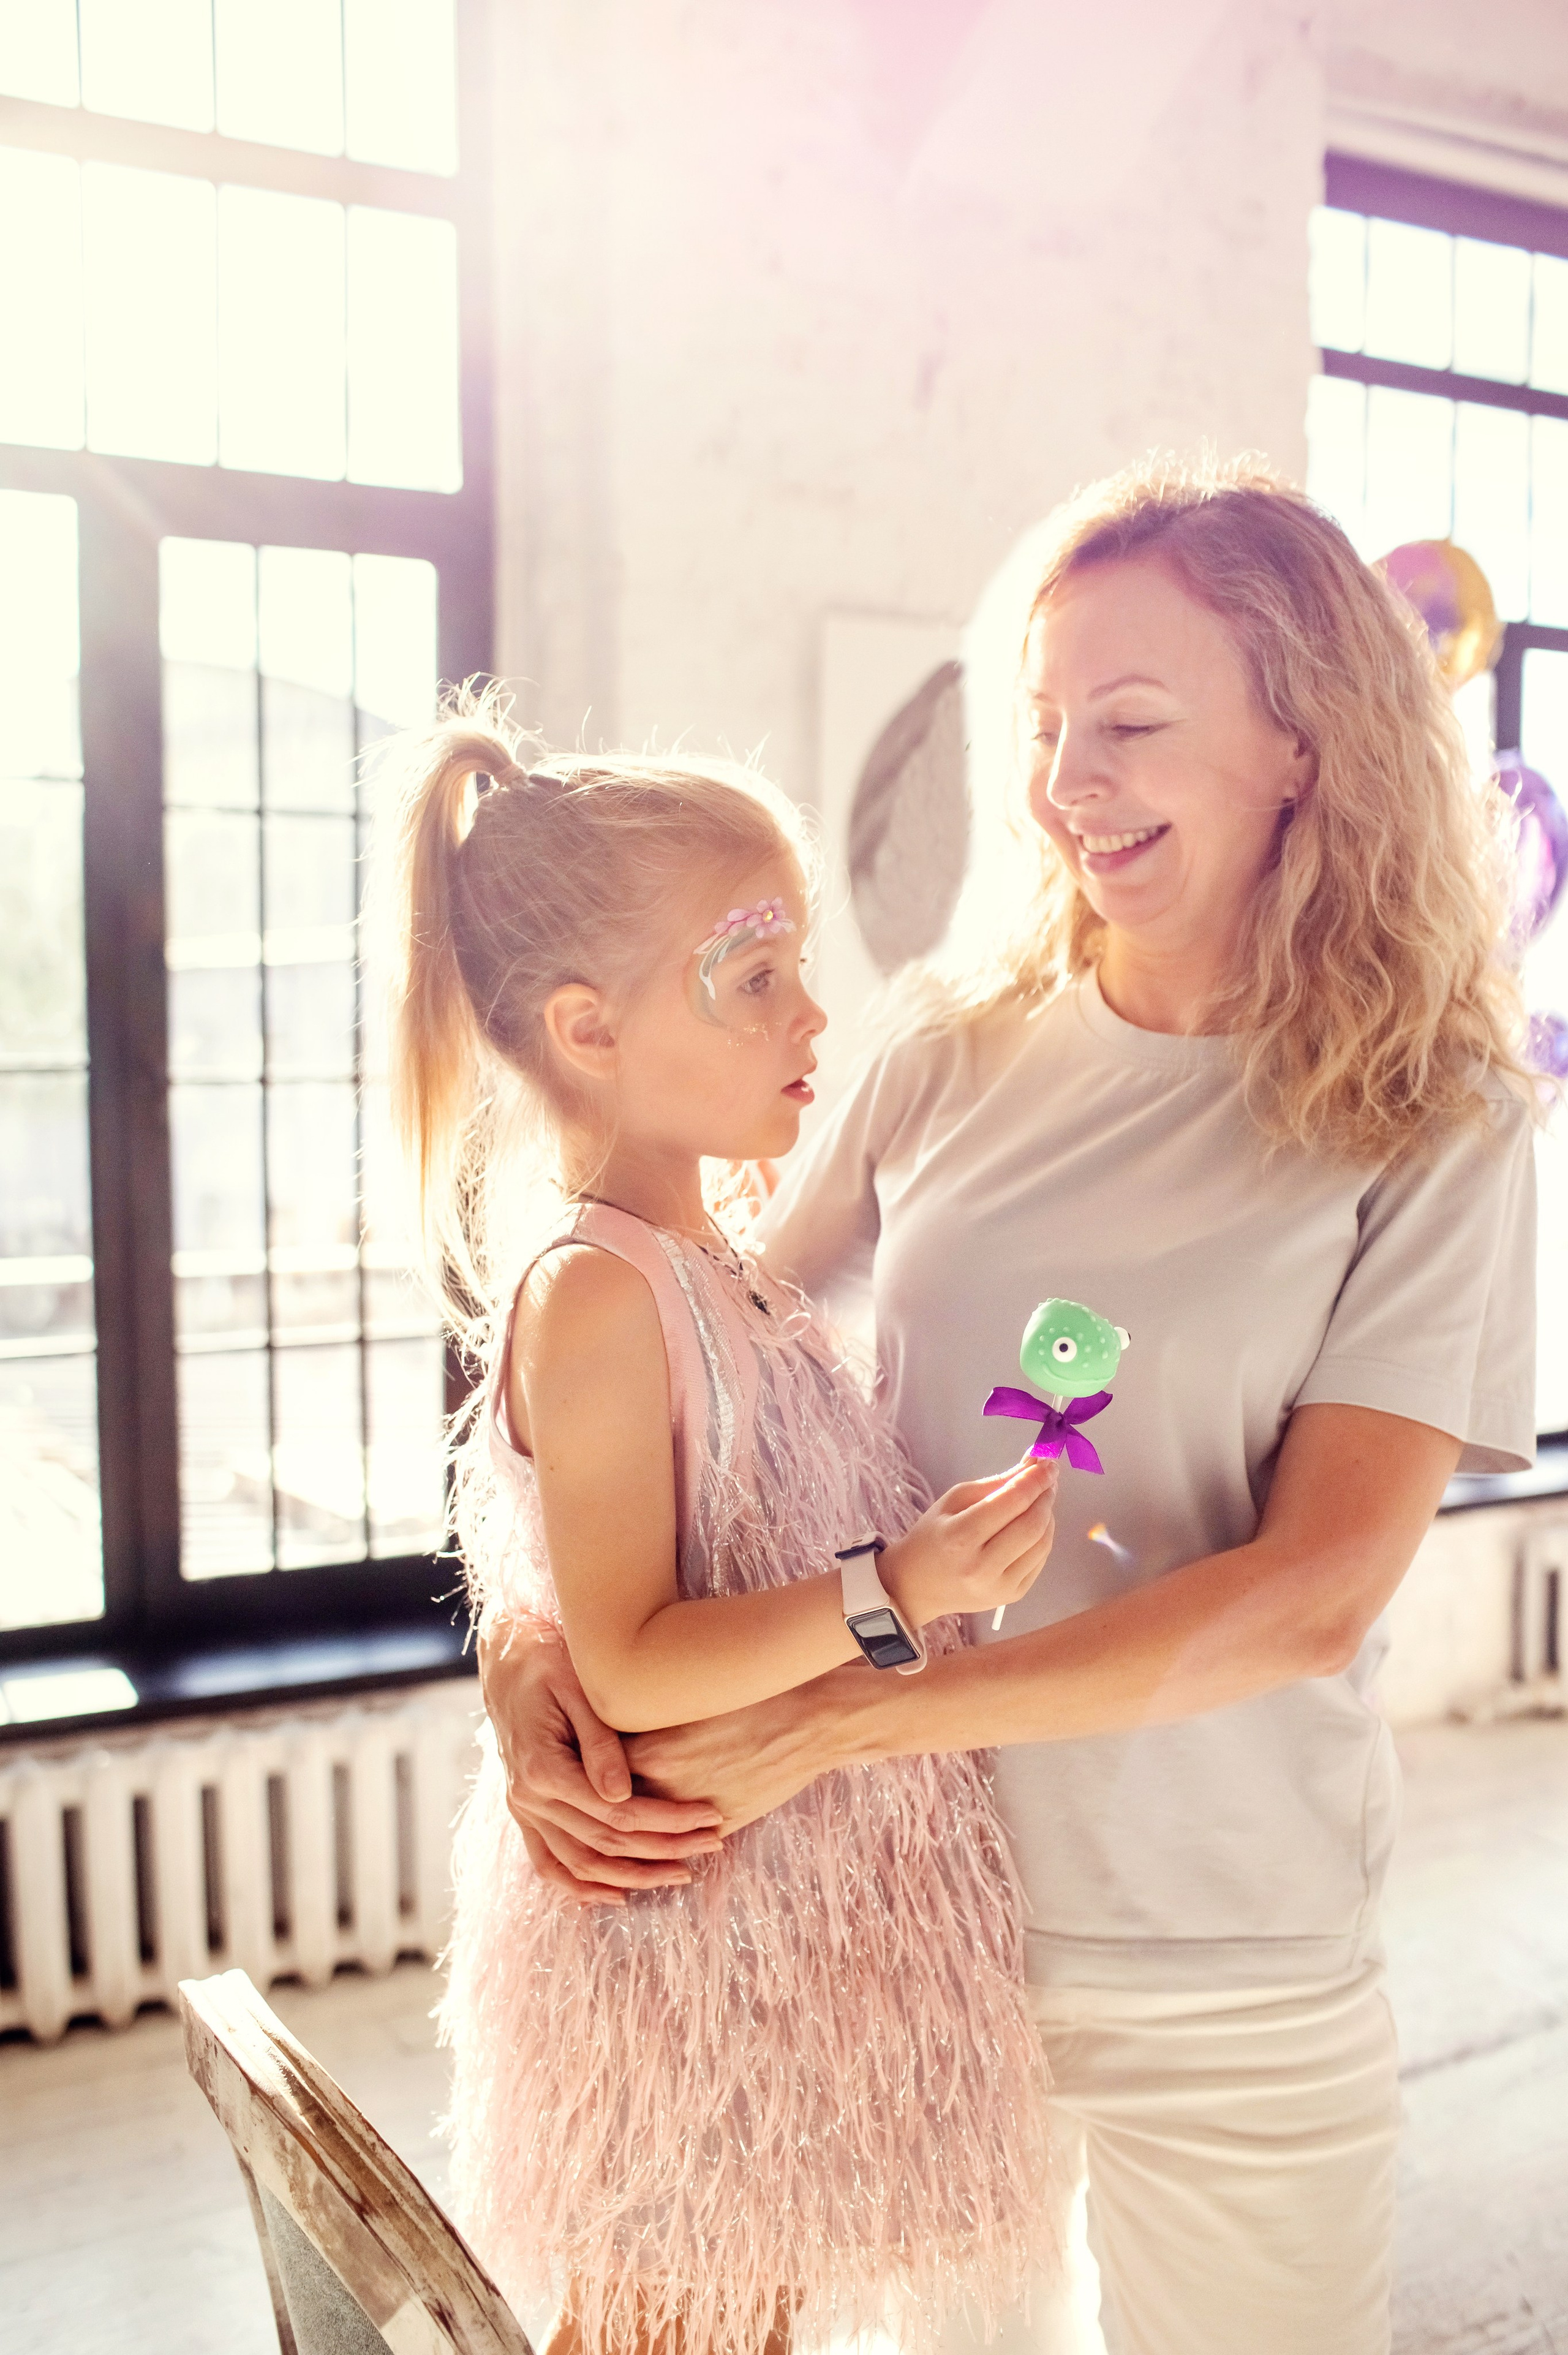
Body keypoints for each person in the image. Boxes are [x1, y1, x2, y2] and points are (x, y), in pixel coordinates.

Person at [480, 458, 1541, 2355]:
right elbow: (675, 1361)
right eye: (1046, 726)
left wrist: (848, 1718)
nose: (1065, 784)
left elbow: (1314, 1593)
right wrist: (526, 1626)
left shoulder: (1436, 1123)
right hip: (913, 1936)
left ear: (1307, 741)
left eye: (1130, 724)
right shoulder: (946, 1051)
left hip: (1235, 1956)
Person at [375, 698, 1063, 2355]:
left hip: (775, 1938)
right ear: (588, 1030)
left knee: (737, 2325)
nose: (811, 1009)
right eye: (754, 975)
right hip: (680, 1941)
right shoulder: (605, 1292)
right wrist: (896, 1586)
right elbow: (625, 1644)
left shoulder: (725, 1258)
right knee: (664, 2329)